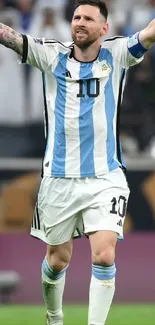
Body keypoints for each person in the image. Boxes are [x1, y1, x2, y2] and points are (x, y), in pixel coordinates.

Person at [0, 0, 154, 324]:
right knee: (57, 261)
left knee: (105, 253)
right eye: (76, 17)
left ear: (104, 28)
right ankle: (54, 317)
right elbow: (12, 37)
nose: (79, 23)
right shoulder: (50, 54)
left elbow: (149, 34)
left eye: (88, 18)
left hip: (105, 176)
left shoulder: (119, 54)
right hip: (59, 178)